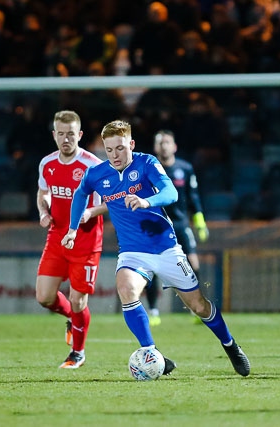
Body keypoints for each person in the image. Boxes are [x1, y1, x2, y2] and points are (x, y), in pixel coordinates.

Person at [61, 120, 250, 377]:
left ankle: (230, 345)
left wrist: (146, 201)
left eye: (120, 148)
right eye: (109, 150)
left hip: (166, 248)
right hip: (132, 252)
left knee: (199, 306)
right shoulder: (97, 173)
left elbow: (171, 193)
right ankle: (152, 353)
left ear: (132, 144)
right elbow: (81, 193)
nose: (114, 155)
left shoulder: (147, 163)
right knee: (126, 289)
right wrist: (72, 229)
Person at [36, 110, 106, 369]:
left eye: (71, 134)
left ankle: (77, 352)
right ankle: (72, 318)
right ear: (55, 135)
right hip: (56, 236)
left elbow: (110, 201)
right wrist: (43, 211)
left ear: (80, 135)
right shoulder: (47, 164)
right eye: (61, 134)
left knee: (79, 300)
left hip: (86, 241)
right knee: (44, 297)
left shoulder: (92, 166)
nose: (66, 139)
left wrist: (90, 212)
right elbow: (43, 192)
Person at [145, 130, 209, 326]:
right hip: (155, 225)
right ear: (156, 147)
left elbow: (193, 197)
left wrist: (199, 222)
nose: (164, 146)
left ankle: (196, 308)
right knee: (150, 268)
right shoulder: (148, 169)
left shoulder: (185, 168)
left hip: (180, 224)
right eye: (160, 142)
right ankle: (154, 310)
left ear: (174, 146)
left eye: (167, 142)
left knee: (193, 265)